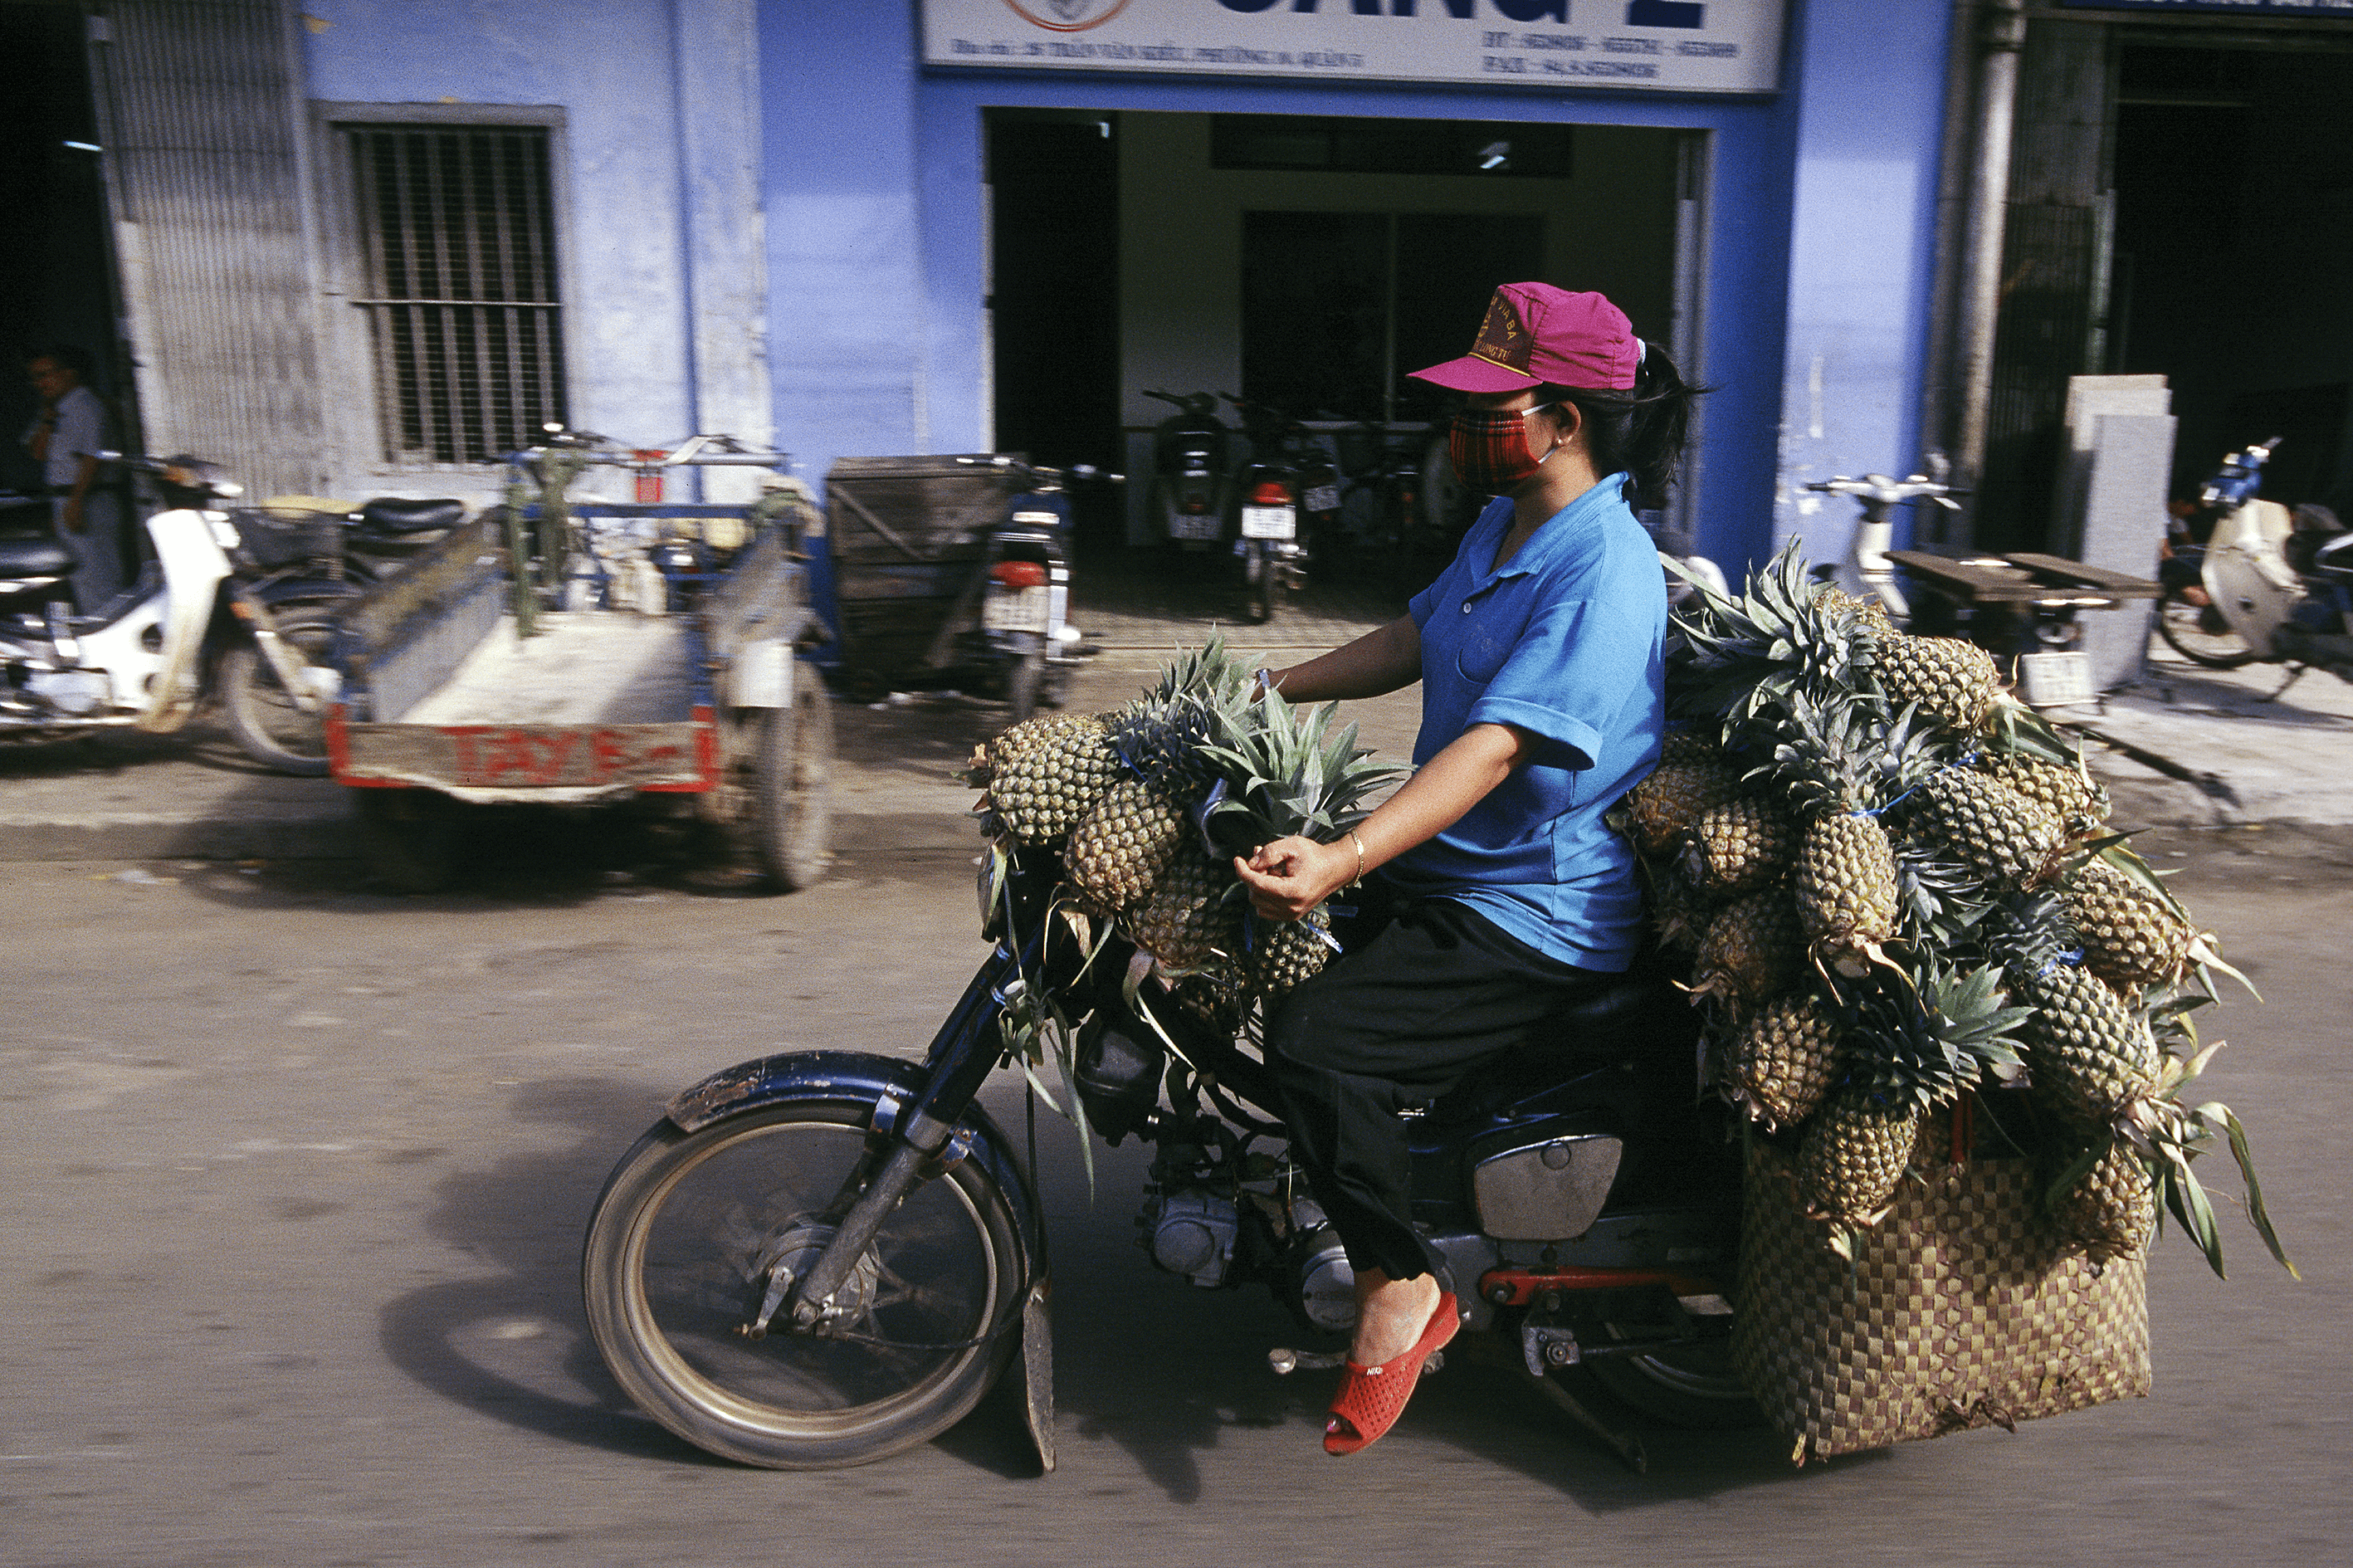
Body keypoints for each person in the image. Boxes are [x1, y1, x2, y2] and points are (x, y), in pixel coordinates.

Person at [1233, 282, 1701, 1457]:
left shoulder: (1606, 568)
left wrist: (1341, 858)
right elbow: (1410, 639)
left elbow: (1494, 748)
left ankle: (1401, 1283)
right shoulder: (1503, 528)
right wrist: (1262, 688)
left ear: (1563, 421)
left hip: (1533, 904)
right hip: (1462, 866)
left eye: (1494, 405)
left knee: (1315, 1040)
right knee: (1251, 952)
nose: (1463, 428)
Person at [22, 344, 122, 610]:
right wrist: (46, 421)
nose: (40, 383)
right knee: (80, 576)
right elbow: (37, 452)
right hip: (65, 501)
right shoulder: (54, 410)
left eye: (46, 374)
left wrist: (76, 502)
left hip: (89, 500)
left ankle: (110, 630)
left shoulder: (87, 406)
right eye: (35, 377)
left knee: (99, 574)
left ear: (69, 374)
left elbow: (93, 457)